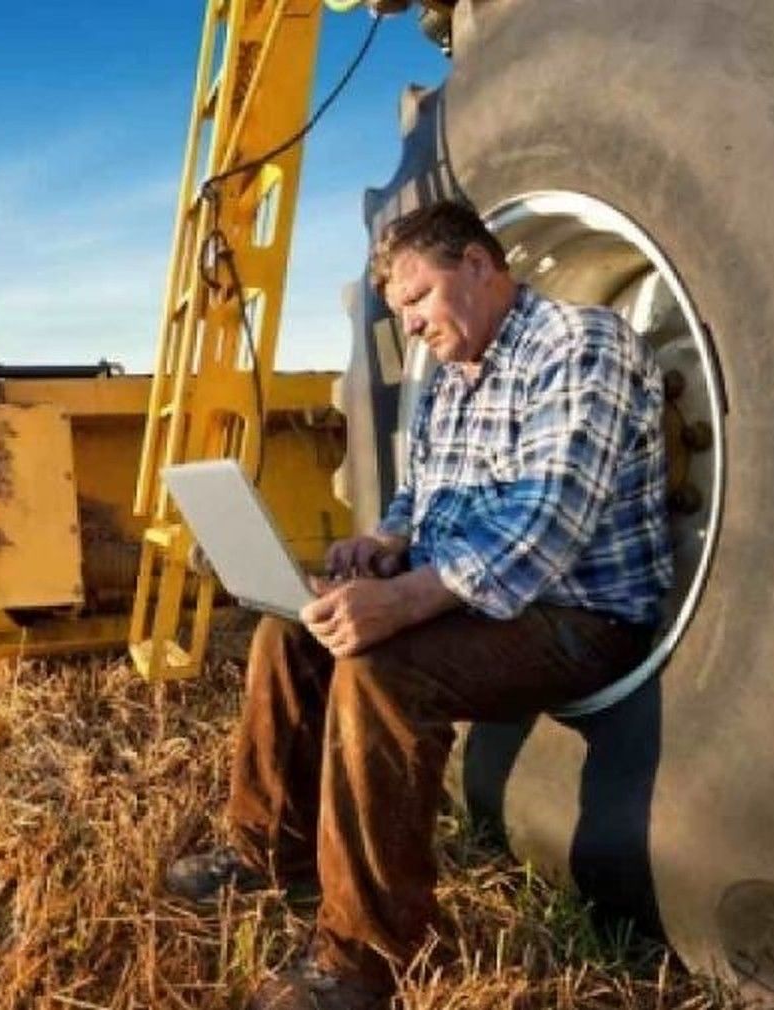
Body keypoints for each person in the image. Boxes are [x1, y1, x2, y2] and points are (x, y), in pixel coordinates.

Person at [164, 199, 674, 1010]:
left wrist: (401, 602)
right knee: (287, 634)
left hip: (581, 617)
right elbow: (425, 499)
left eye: (417, 299)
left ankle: (368, 953)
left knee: (379, 670)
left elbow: (544, 528)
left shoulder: (578, 345)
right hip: (486, 604)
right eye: (398, 311)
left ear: (477, 264)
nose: (410, 327)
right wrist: (386, 544)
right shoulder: (452, 376)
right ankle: (269, 852)